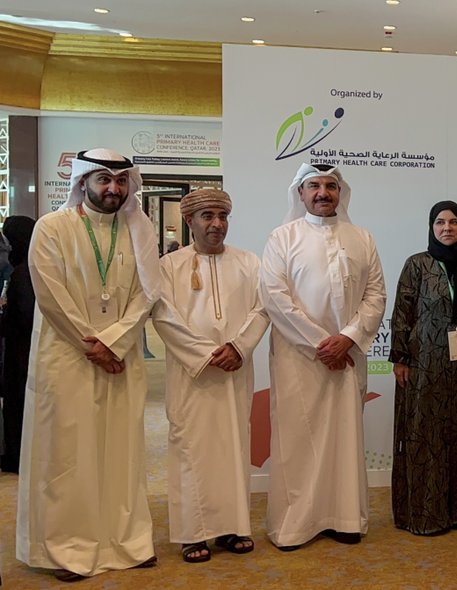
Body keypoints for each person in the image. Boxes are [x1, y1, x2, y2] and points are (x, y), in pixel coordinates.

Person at [16, 148, 161, 581]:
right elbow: (50, 294)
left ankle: (127, 540)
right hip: (67, 356)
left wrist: (114, 343)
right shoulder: (52, 227)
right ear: (83, 183)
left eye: (120, 181)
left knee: (122, 449)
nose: (113, 189)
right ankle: (68, 548)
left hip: (121, 356)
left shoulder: (140, 227)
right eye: (103, 180)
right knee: (69, 453)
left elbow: (148, 292)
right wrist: (93, 345)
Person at [260, 163, 387, 550]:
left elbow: (376, 296)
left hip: (346, 358)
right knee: (298, 440)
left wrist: (346, 339)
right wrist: (322, 343)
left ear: (340, 192)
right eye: (313, 185)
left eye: (330, 186)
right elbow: (274, 298)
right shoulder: (281, 238)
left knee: (344, 438)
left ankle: (345, 517)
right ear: (300, 193)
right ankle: (294, 525)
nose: (322, 193)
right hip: (298, 361)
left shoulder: (362, 238)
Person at [152, 189, 269, 562]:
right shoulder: (168, 266)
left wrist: (239, 347)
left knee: (234, 447)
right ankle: (192, 532)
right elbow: (163, 316)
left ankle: (233, 527)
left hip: (235, 370)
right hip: (192, 376)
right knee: (191, 449)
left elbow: (262, 308)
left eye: (222, 216)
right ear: (189, 221)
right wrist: (204, 355)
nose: (216, 224)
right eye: (206, 216)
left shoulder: (249, 262)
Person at [390, 201, 457, 535]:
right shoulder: (417, 264)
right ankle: (424, 515)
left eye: (453, 222)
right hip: (424, 366)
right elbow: (402, 312)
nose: (447, 228)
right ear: (431, 228)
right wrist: (400, 357)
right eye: (439, 222)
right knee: (426, 436)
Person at [0, 215, 36, 473]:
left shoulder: (23, 272)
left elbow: (25, 314)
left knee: (19, 405)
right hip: (26, 350)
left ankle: (17, 456)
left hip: (21, 351)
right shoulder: (33, 266)